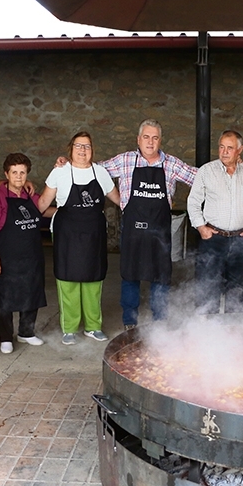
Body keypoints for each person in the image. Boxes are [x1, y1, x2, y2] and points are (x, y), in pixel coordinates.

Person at [99, 119, 197, 329]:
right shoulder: (125, 160)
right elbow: (94, 172)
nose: (150, 142)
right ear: (138, 139)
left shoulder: (171, 164)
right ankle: (130, 321)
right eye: (146, 137)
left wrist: (229, 165)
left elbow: (201, 178)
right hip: (132, 230)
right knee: (130, 274)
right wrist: (66, 164)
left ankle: (159, 320)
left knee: (161, 275)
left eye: (155, 138)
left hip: (160, 231)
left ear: (160, 140)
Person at [33, 132, 120, 345]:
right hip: (67, 233)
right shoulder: (59, 172)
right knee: (67, 279)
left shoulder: (100, 172)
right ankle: (69, 329)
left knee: (94, 278)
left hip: (93, 233)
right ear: (70, 148)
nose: (83, 150)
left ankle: (93, 326)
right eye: (79, 146)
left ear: (93, 150)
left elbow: (119, 199)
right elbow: (42, 204)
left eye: (87, 146)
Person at [187, 130, 243, 313]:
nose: (225, 152)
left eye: (230, 148)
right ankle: (207, 332)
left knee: (237, 290)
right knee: (208, 288)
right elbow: (193, 201)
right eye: (221, 147)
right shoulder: (207, 171)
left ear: (239, 150)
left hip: (240, 240)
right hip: (213, 238)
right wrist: (201, 227)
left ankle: (232, 333)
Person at [0, 153, 51, 354]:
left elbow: (42, 209)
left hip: (31, 256)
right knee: (5, 298)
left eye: (22, 172)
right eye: (14, 173)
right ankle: (5, 337)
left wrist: (68, 212)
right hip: (7, 257)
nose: (19, 177)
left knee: (32, 292)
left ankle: (26, 332)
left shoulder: (29, 194)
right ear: (7, 174)